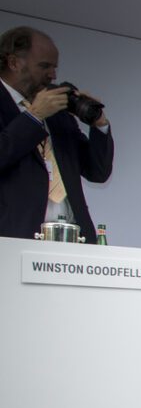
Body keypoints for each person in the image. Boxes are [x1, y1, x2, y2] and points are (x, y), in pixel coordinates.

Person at [0, 26, 114, 244]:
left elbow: (97, 171)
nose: (52, 75)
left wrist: (99, 125)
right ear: (13, 63)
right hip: (12, 240)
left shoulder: (56, 111)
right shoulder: (40, 109)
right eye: (44, 66)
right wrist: (33, 118)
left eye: (54, 67)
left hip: (72, 239)